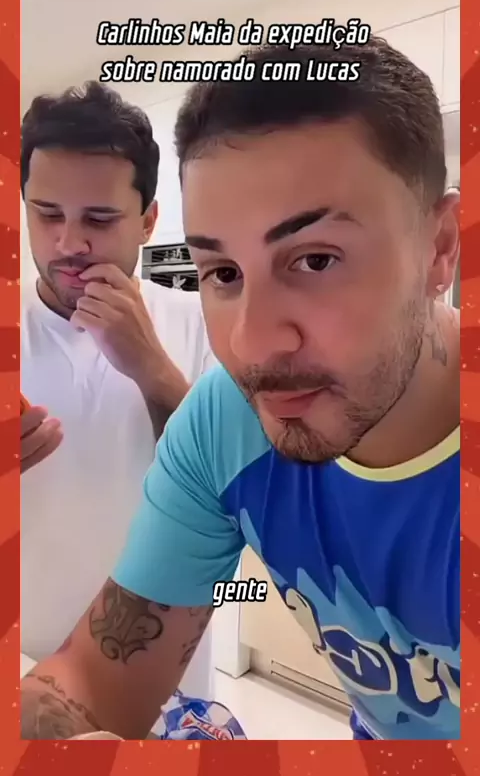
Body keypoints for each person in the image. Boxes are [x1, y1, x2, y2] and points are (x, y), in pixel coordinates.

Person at [20, 38, 460, 742]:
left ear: (440, 248)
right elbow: (93, 685)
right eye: (222, 273)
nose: (251, 345)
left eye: (315, 260)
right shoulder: (225, 418)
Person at [20, 83, 215, 702]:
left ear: (148, 220)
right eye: (47, 214)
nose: (68, 244)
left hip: (167, 675)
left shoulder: (208, 322)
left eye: (99, 219)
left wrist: (152, 368)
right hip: (27, 666)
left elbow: (239, 496)